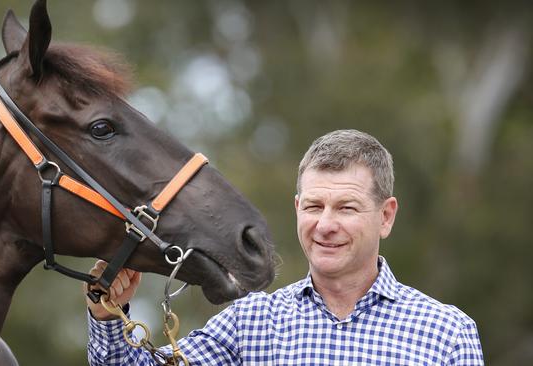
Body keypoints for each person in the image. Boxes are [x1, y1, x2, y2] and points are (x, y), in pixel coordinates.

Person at [85, 129, 484, 365]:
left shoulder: (446, 333)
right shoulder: (251, 323)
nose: (326, 225)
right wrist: (107, 315)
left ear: (386, 216)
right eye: (314, 206)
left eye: (346, 207)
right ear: (297, 209)